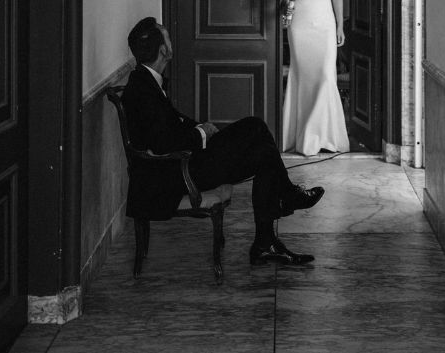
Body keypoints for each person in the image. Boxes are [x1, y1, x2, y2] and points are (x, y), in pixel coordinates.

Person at [122, 16, 325, 265]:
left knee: (263, 152)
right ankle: (285, 201)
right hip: (175, 174)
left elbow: (172, 124)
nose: (171, 41)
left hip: (181, 164)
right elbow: (163, 143)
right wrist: (202, 133)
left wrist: (200, 128)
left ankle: (265, 242)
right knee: (254, 127)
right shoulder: (142, 88)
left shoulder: (145, 80)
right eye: (167, 37)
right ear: (163, 50)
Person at [280, 0, 349, 155]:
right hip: (300, 24)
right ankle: (305, 138)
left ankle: (326, 137)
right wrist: (288, 2)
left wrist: (340, 26)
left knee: (326, 77)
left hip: (325, 21)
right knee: (303, 78)